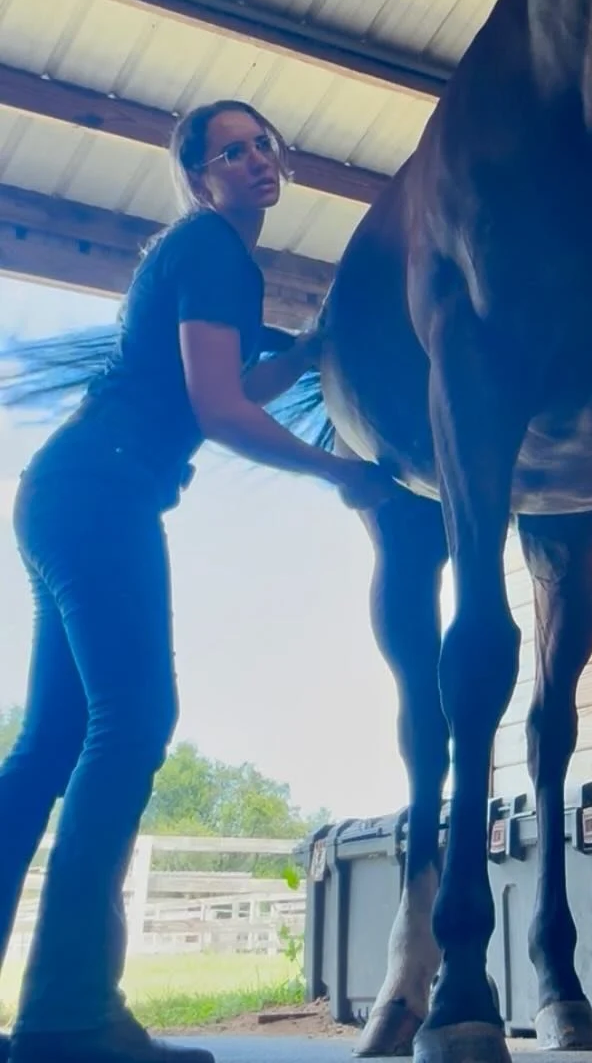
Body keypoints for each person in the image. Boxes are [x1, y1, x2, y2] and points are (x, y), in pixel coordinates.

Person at [0, 100, 397, 1063]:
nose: (257, 158)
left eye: (266, 142)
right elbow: (217, 413)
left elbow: (215, 386)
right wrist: (340, 470)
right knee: (129, 725)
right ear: (200, 175)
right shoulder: (215, 247)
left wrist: (300, 354)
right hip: (102, 494)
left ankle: (58, 1011)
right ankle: (67, 1015)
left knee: (50, 747)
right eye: (232, 150)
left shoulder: (206, 259)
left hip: (67, 492)